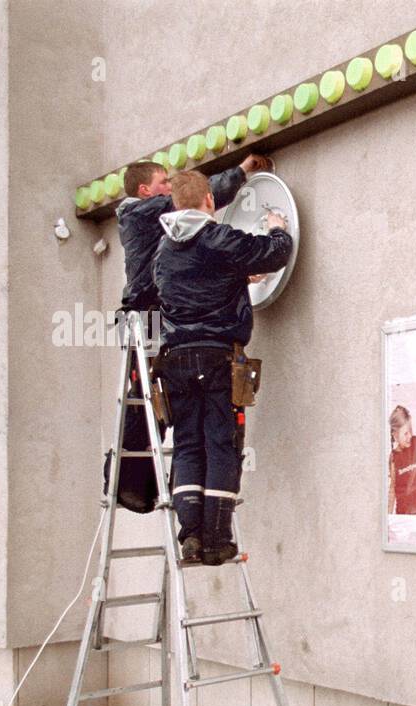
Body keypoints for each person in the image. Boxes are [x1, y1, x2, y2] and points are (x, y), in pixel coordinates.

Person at [152, 170, 294, 565]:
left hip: (176, 360)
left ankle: (191, 538)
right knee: (221, 445)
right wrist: (278, 228)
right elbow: (274, 253)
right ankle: (217, 540)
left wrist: (236, 279)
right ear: (210, 202)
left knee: (187, 445)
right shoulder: (217, 238)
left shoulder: (163, 251)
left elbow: (189, 287)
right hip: (218, 358)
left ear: (175, 204)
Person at [116, 154, 270, 326]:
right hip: (148, 313)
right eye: (164, 182)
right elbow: (197, 198)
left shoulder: (136, 218)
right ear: (144, 190)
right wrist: (242, 170)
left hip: (143, 312)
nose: (170, 187)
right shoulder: (145, 212)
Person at [388, 405, 416, 515]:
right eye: (405, 433)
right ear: (395, 435)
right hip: (403, 515)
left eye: (410, 431)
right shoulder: (394, 456)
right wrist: (389, 516)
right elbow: (393, 488)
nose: (410, 436)